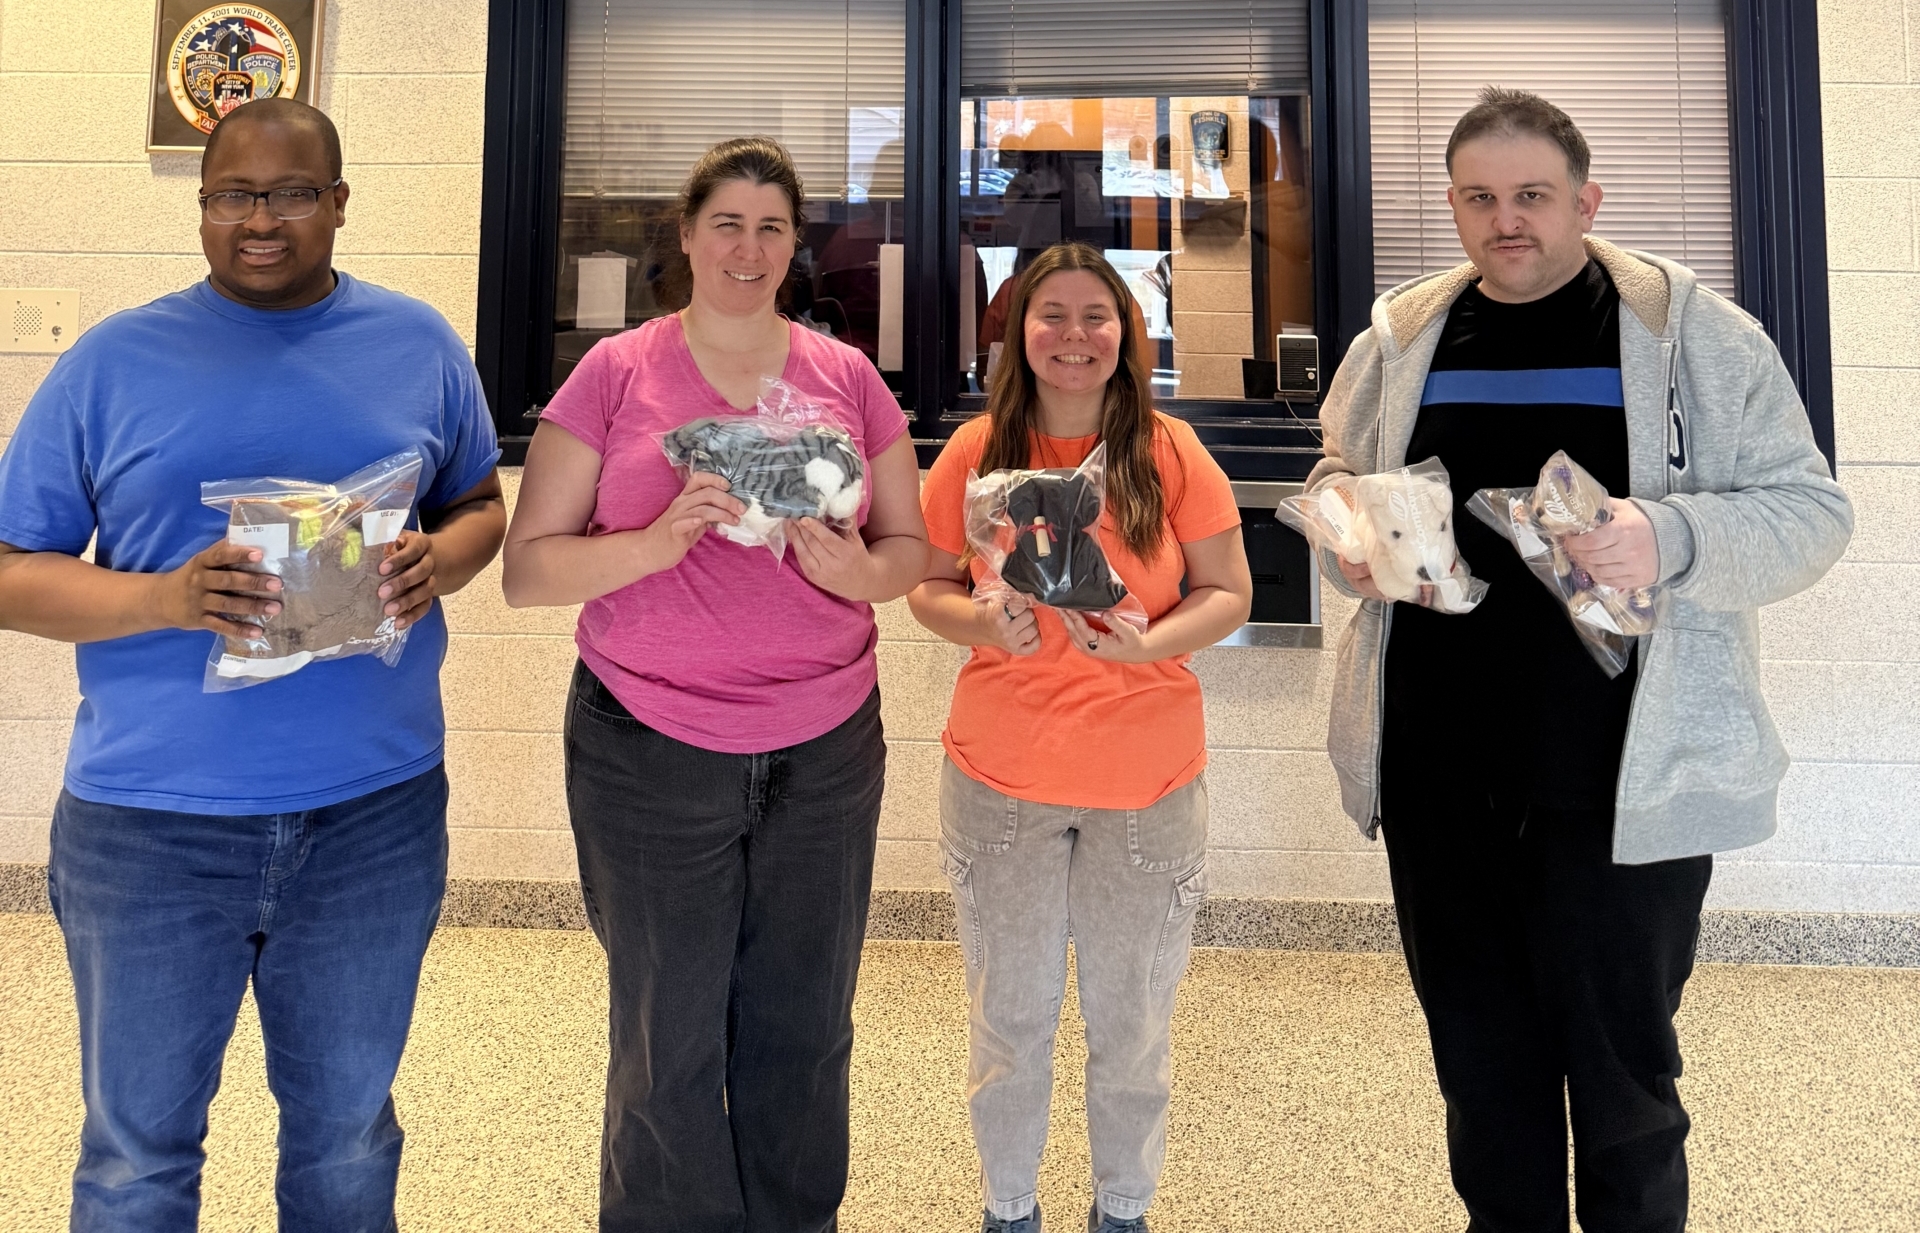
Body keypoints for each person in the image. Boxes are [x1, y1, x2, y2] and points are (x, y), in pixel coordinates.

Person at [1309, 87, 1852, 1232]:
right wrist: (1344, 534)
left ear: (1586, 200)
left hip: (1624, 786)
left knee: (1626, 1094)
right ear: (1455, 208)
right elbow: (1335, 474)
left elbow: (1812, 514)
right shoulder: (1401, 337)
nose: (1508, 221)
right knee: (1482, 1082)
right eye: (1481, 198)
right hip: (1439, 777)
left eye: (1533, 196)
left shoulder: (1696, 334)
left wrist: (1675, 535)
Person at [0, 99, 504, 1230]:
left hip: (374, 819)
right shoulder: (111, 363)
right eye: (232, 195)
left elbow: (480, 504)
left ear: (337, 201)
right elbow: (9, 571)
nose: (258, 220)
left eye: (289, 193)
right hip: (147, 830)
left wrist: (442, 560)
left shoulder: (418, 344)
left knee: (346, 1141)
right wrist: (167, 598)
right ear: (202, 207)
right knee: (136, 1158)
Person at [501, 136, 929, 1233]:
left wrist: (854, 568)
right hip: (649, 746)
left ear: (797, 247)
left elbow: (905, 552)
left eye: (772, 227)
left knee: (805, 1021)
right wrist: (650, 543)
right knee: (667, 1027)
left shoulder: (845, 381)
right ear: (687, 236)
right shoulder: (618, 374)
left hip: (825, 749)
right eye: (727, 223)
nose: (749, 247)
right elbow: (528, 571)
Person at [909, 241, 1253, 1233]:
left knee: (1133, 1029)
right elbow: (928, 587)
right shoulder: (977, 452)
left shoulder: (1169, 451)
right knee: (1009, 1024)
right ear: (1017, 329)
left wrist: (1152, 648)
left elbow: (1225, 591)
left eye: (1094, 315)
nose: (1072, 335)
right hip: (1000, 782)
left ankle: (1123, 1211)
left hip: (1147, 789)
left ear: (1127, 332)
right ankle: (1009, 1210)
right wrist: (978, 620)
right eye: (1049, 313)